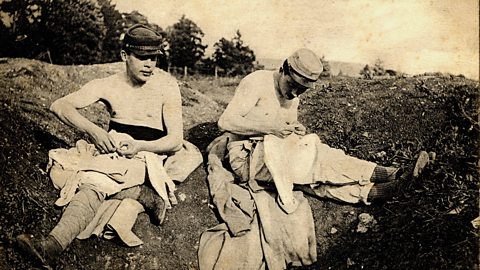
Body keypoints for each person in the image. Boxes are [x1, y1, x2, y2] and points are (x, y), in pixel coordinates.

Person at [16, 24, 199, 268]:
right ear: (125, 55)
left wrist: (139, 146)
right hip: (113, 153)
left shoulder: (166, 86)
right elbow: (59, 105)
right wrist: (94, 131)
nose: (149, 65)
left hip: (148, 155)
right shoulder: (108, 85)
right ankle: (143, 195)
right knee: (60, 170)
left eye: (153, 58)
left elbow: (175, 141)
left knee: (93, 182)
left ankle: (52, 246)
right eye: (142, 58)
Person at [212, 48, 430, 213]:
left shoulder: (293, 99)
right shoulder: (257, 82)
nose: (296, 93)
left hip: (274, 156)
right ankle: (393, 173)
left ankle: (385, 191)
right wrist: (270, 128)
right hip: (246, 157)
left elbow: (284, 132)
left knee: (316, 185)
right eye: (293, 85)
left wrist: (295, 130)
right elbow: (226, 121)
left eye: (303, 90)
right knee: (320, 160)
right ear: (283, 70)